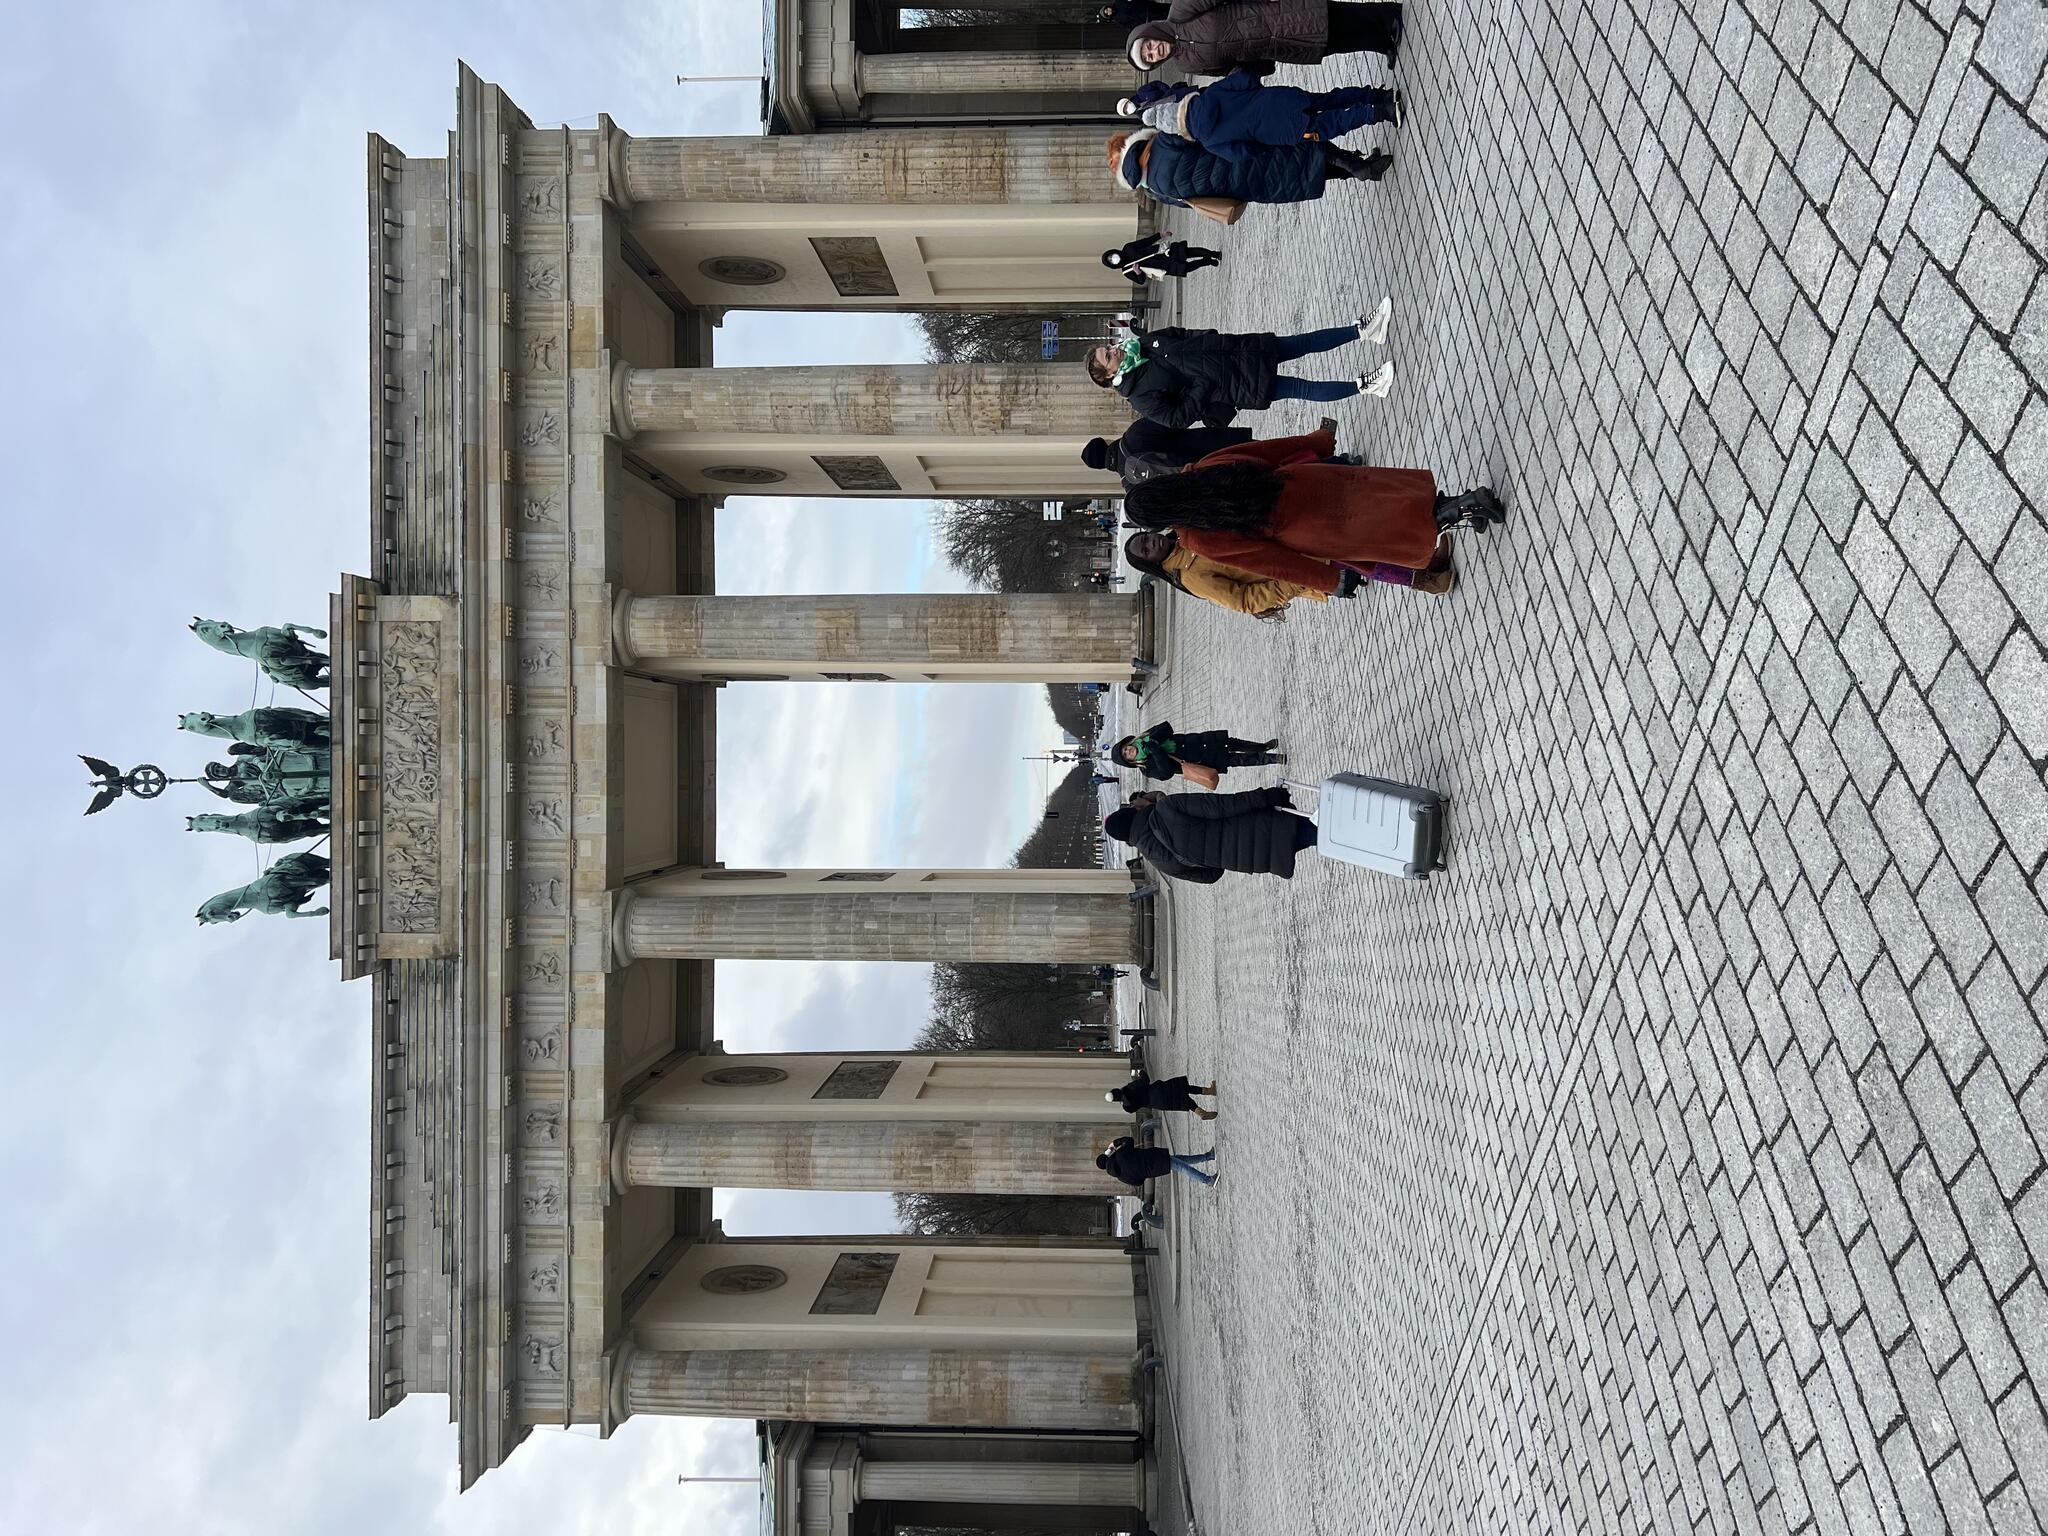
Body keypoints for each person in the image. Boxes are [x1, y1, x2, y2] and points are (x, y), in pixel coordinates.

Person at [1124, 425, 1496, 590]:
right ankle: (1464, 507)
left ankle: (1466, 506)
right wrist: (1316, 443)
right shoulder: (1204, 467)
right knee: (1393, 502)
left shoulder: (1199, 536)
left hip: (1306, 527)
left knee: (1396, 529)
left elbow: (1268, 560)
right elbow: (1265, 451)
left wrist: (1327, 580)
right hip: (1307, 483)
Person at [1084, 311, 1393, 430]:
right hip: (1234, 385)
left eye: (1108, 348)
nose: (1113, 350)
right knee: (1301, 388)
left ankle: (1363, 331)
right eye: (1108, 356)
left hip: (1235, 351)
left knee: (1301, 342)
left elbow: (1178, 333)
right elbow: (1176, 418)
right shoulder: (1139, 396)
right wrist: (1202, 386)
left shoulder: (1143, 344)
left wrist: (1208, 336)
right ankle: (1366, 385)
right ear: (1110, 374)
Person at [1110, 128, 1393, 220]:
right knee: (1307, 146)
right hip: (1245, 156)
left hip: (1242, 188)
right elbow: (1203, 135)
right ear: (1133, 144)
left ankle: (1357, 170)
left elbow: (1190, 202)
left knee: (1305, 174)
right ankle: (1361, 167)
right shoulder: (1162, 142)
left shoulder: (1159, 191)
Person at [1125, 69, 1401, 153]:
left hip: (1279, 131)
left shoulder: (1210, 141)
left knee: (1331, 125)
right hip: (1281, 100)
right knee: (1329, 99)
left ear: (1175, 128)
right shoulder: (1209, 95)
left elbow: (1243, 154)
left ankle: (1380, 112)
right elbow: (1244, 79)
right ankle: (1378, 94)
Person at [1104, 785, 1319, 883]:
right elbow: (1223, 805)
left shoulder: (1159, 863)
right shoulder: (1167, 808)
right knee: (1326, 828)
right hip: (1264, 825)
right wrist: (1266, 796)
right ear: (1132, 811)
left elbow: (1211, 876)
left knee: (1320, 837)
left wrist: (1217, 853)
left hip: (1257, 859)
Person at [1125, 1, 1403, 76]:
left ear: (1150, 34)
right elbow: (1226, 70)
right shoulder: (1186, 65)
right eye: (1150, 57)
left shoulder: (1180, 12)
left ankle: (1386, 15)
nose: (1154, 51)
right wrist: (1257, 69)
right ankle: (1379, 44)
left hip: (1272, 14)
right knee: (1329, 45)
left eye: (1148, 45)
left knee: (1333, 16)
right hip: (1273, 45)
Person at [1082, 418, 1256, 487]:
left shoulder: (1130, 486)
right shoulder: (1134, 436)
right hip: (1219, 448)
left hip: (1217, 482)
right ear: (1107, 443)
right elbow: (1176, 418)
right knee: (1274, 451)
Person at [1115, 722, 1283, 782]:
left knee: (1234, 743)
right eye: (1126, 755)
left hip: (1200, 741)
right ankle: (1272, 759)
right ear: (1129, 761)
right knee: (1237, 760)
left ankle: (1262, 747)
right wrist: (1157, 752)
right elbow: (1165, 773)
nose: (1128, 751)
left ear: (1128, 743)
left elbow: (1167, 727)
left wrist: (1154, 740)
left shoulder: (1145, 737)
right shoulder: (1145, 768)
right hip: (1200, 760)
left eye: (1126, 748)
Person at [1098, 1134, 1219, 1187]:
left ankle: (1207, 1156)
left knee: (1180, 1160)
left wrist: (1143, 1172)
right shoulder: (1120, 1154)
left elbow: (1138, 1183)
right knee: (1181, 1167)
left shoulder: (1121, 1177)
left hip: (1153, 1170)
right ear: (1108, 1155)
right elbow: (1129, 1140)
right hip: (1154, 1158)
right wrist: (1115, 1143)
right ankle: (1208, 1180)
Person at [1104, 231, 1222, 283]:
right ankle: (1206, 262)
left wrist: (1161, 235)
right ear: (1112, 265)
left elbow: (1145, 242)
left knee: (1190, 252)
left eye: (1111, 256)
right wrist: (1138, 273)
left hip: (1163, 252)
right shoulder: (1127, 271)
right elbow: (1141, 281)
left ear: (1114, 252)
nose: (1113, 259)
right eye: (1111, 261)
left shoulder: (1127, 248)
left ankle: (1213, 254)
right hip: (1163, 267)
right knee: (1186, 268)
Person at [1108, 1070, 1219, 1120]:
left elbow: (1136, 1108)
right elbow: (1145, 1080)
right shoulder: (1128, 1089)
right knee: (1184, 1088)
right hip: (1158, 1090)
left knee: (1183, 1100)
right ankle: (1209, 1091)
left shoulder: (1127, 1107)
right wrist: (1140, 1072)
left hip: (1157, 1103)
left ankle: (1201, 1112)